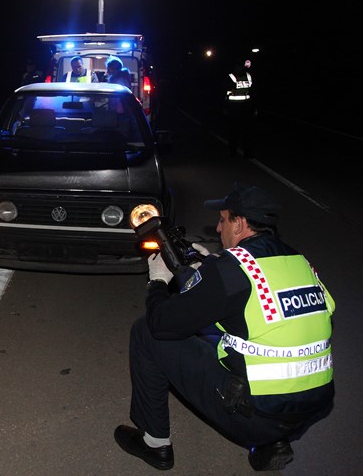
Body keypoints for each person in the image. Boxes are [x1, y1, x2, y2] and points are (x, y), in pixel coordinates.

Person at [114, 182, 334, 471]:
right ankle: (274, 442)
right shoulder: (299, 261)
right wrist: (208, 271)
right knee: (237, 336)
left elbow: (163, 324)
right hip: (312, 408)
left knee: (146, 332)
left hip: (259, 415)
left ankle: (154, 445)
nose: (218, 229)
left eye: (223, 220)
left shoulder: (233, 269)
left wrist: (157, 281)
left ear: (239, 223)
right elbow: (274, 312)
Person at [223, 59, 257, 158]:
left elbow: (253, 92)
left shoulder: (249, 77)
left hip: (246, 109)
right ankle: (233, 152)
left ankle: (247, 153)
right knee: (234, 133)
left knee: (247, 133)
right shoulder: (230, 77)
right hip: (234, 109)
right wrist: (225, 107)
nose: (238, 69)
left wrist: (254, 108)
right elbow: (223, 92)